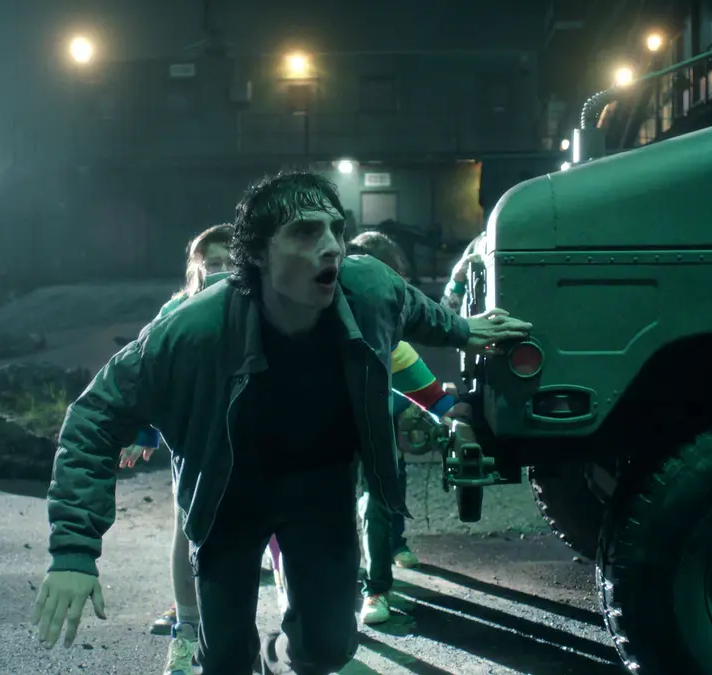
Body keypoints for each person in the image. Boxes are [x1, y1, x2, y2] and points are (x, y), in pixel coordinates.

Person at [31, 170, 532, 675]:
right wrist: (74, 553)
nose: (331, 246)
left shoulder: (370, 287)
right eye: (306, 232)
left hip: (320, 487)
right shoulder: (193, 328)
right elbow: (94, 416)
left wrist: (463, 330)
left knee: (328, 648)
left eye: (336, 229)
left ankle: (278, 657)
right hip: (227, 494)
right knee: (225, 658)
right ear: (258, 254)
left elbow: (414, 310)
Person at [114, 224, 232, 660]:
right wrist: (144, 430)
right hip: (192, 443)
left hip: (253, 443)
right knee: (187, 530)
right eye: (213, 262)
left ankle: (297, 631)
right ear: (197, 268)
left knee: (273, 540)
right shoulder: (177, 309)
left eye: (231, 261)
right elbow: (150, 371)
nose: (222, 269)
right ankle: (185, 634)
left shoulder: (262, 307)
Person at [345, 231, 466, 625]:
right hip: (329, 438)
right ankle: (352, 588)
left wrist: (460, 417)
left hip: (374, 436)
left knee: (377, 504)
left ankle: (375, 587)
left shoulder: (394, 347)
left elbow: (439, 402)